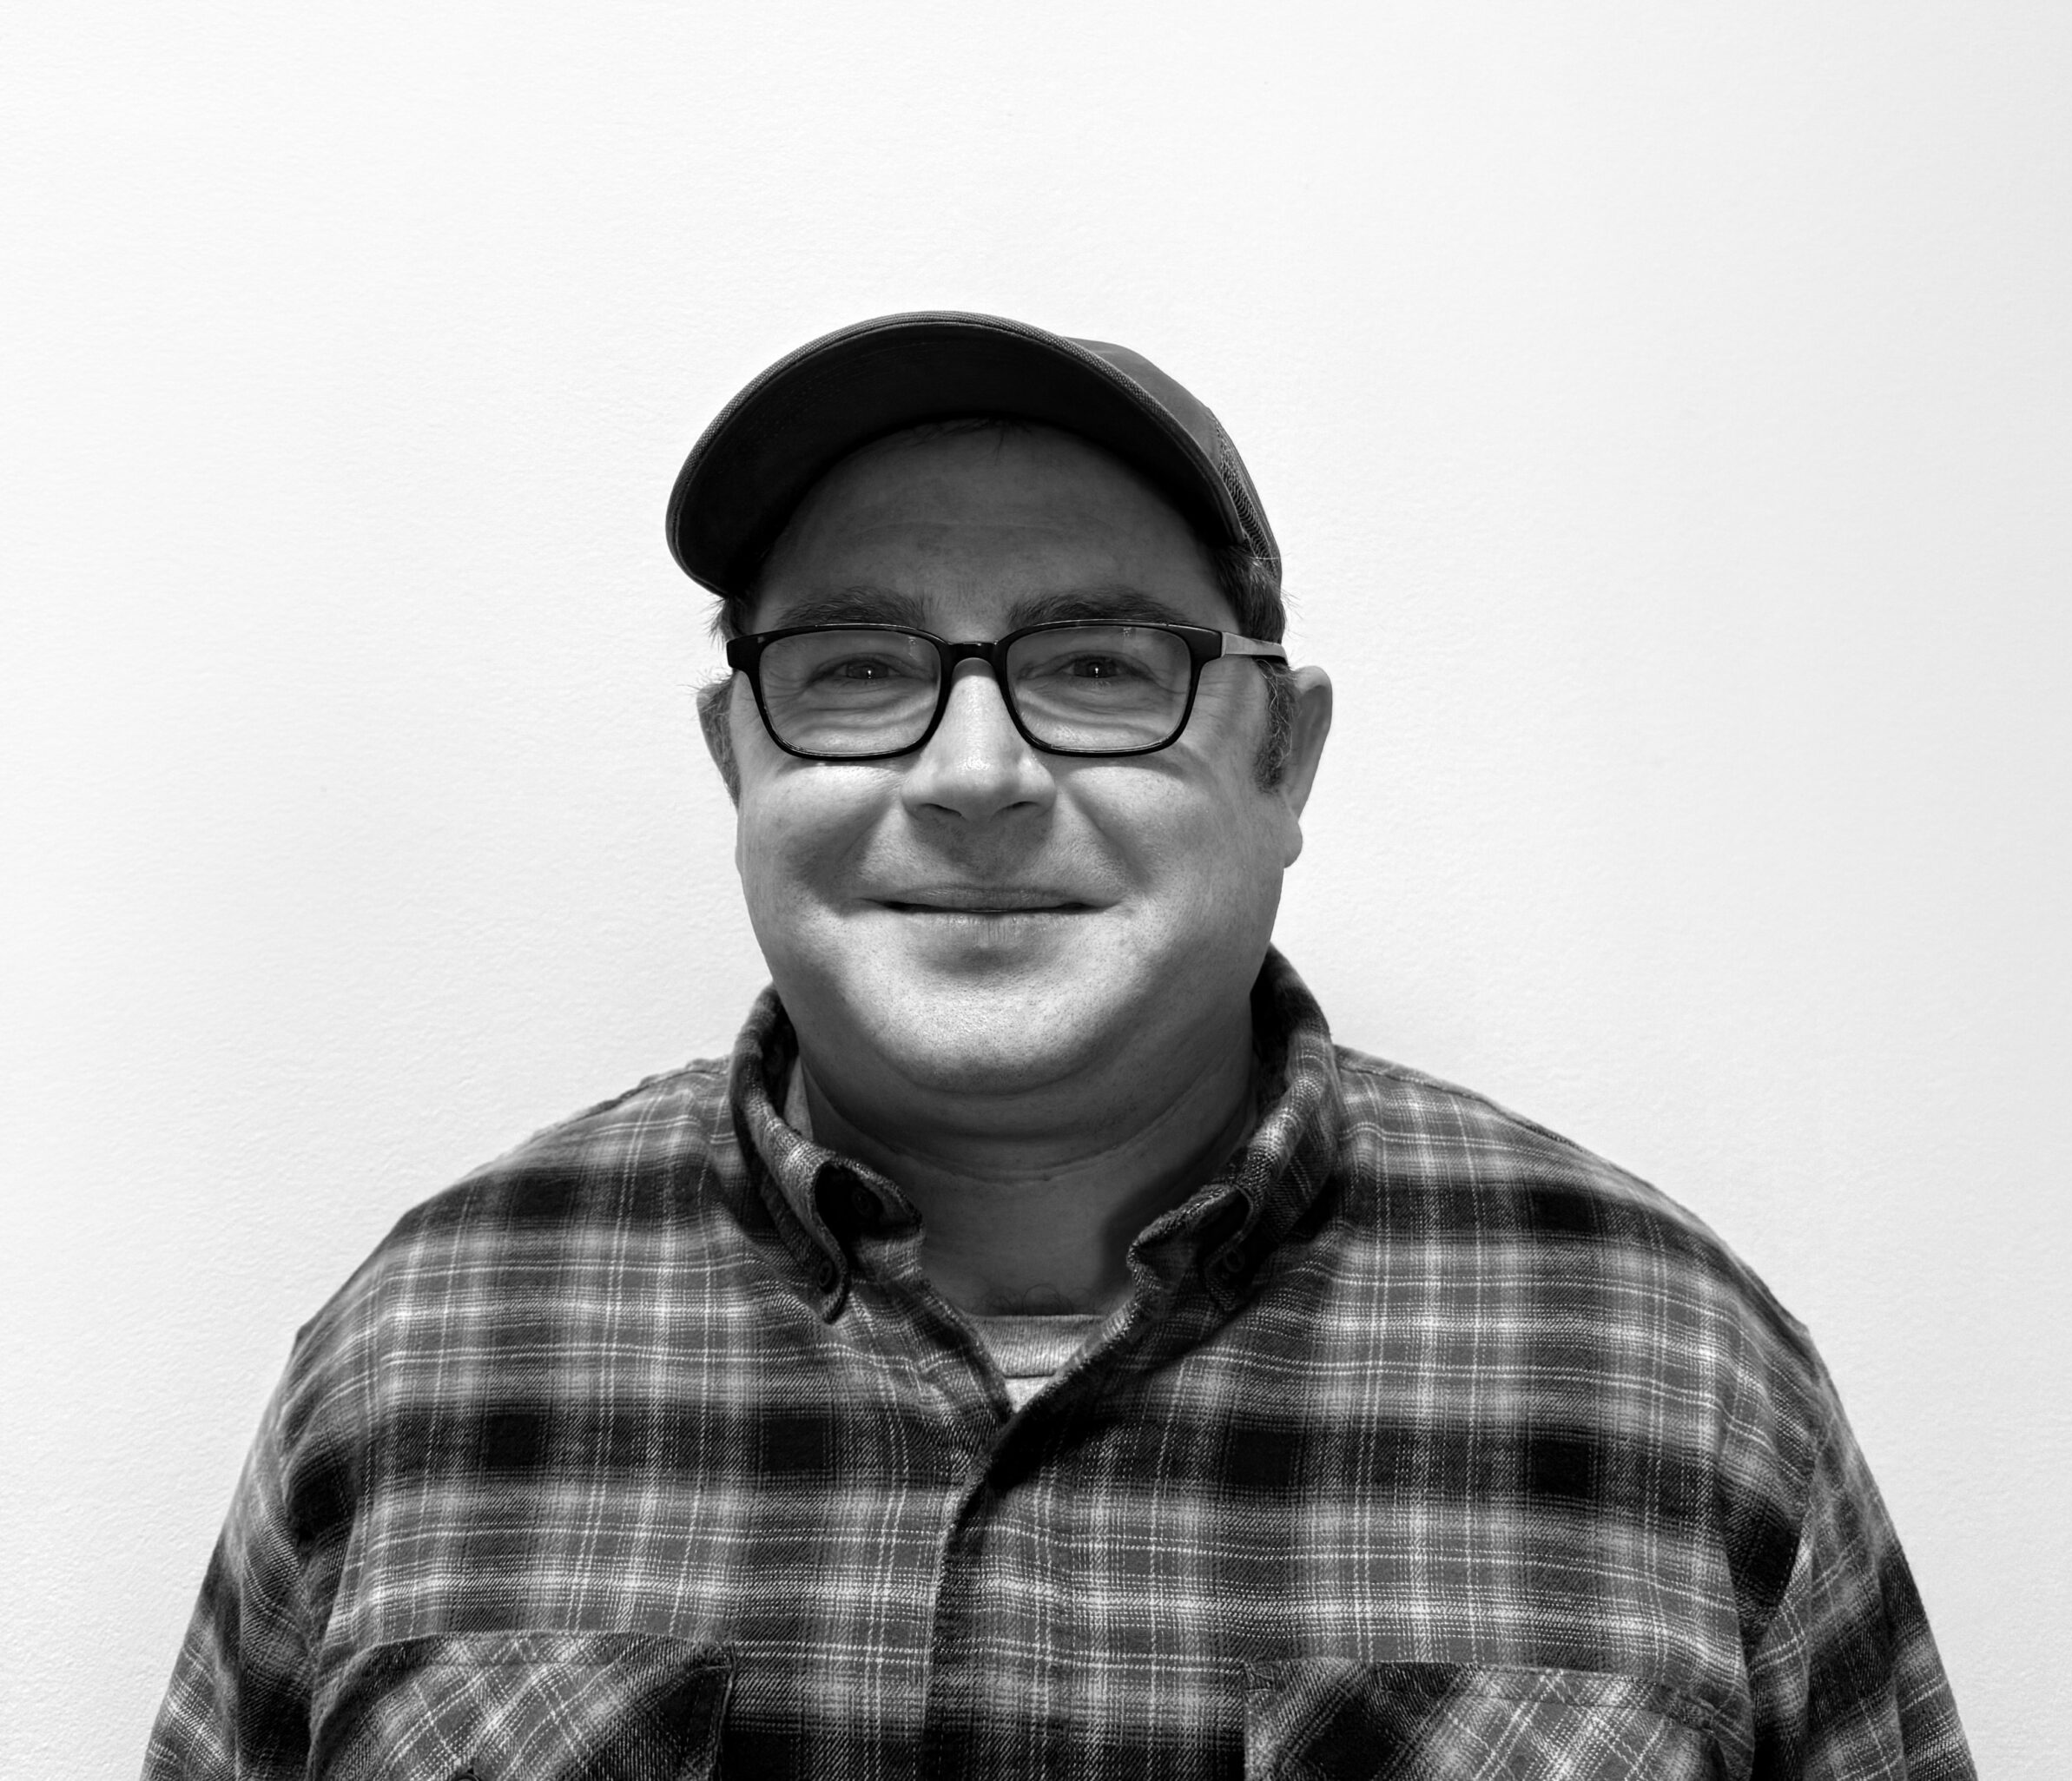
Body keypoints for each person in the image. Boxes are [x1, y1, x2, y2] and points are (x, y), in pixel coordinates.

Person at [144, 313, 1974, 1778]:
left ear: (1285, 763)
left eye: (1099, 666)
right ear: (738, 762)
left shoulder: (1671, 1373)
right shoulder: (424, 1354)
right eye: (857, 669)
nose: (974, 775)